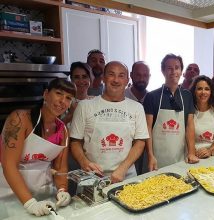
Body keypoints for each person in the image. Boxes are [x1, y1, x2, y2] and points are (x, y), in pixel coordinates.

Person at [0, 78, 76, 216]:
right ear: (46, 94)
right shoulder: (20, 118)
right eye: (58, 93)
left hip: (43, 195)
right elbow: (8, 165)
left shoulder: (63, 130)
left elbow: (61, 168)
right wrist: (30, 203)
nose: (62, 101)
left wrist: (62, 190)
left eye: (68, 98)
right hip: (9, 195)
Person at [70, 61, 149, 183]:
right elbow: (75, 141)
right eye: (111, 74)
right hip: (92, 178)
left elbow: (140, 142)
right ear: (103, 78)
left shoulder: (137, 108)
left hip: (126, 176)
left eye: (121, 75)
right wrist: (84, 162)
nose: (116, 80)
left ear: (127, 80)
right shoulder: (85, 106)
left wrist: (122, 169)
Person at [143, 53, 199, 171]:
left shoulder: (187, 95)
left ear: (181, 71)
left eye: (177, 68)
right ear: (163, 71)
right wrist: (150, 156)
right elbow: (147, 128)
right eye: (169, 68)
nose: (174, 71)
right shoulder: (152, 96)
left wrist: (191, 153)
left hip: (180, 158)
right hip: (156, 160)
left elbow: (189, 126)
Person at [190, 75, 214, 158]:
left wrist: (210, 150)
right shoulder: (190, 112)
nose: (203, 92)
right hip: (193, 156)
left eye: (207, 89)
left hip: (212, 156)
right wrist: (192, 152)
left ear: (211, 92)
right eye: (199, 89)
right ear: (194, 91)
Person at [124, 61, 150, 175]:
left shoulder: (152, 98)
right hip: (125, 150)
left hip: (146, 149)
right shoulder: (122, 96)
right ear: (131, 75)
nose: (141, 79)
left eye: (145, 75)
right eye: (138, 75)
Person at [62, 61, 94, 126]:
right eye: (76, 77)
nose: (81, 81)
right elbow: (55, 128)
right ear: (71, 79)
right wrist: (70, 114)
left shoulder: (95, 101)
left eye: (84, 76)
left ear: (90, 79)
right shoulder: (64, 101)